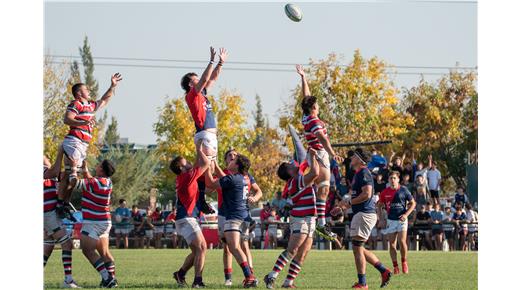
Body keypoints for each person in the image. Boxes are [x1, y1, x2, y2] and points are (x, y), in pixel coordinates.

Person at [56, 73, 123, 219]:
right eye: (86, 89)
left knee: (72, 176)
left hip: (83, 144)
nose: (89, 91)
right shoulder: (76, 104)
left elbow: (105, 99)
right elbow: (67, 119)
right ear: (79, 93)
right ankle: (60, 203)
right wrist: (83, 123)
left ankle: (64, 203)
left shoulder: (91, 106)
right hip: (74, 141)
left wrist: (112, 86)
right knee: (70, 174)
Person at [331, 148, 392, 289]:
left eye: (354, 156)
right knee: (358, 247)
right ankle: (384, 271)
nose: (351, 158)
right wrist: (341, 207)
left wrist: (349, 204)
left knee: (357, 248)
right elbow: (355, 196)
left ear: (360, 160)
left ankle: (363, 283)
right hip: (363, 213)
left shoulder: (364, 172)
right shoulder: (359, 174)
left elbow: (367, 194)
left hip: (364, 214)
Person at [295, 64, 342, 241]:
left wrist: (303, 77)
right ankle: (321, 223)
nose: (319, 105)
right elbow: (323, 139)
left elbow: (306, 96)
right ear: (314, 107)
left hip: (312, 154)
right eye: (317, 104)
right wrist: (331, 152)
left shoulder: (306, 116)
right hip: (320, 154)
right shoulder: (314, 121)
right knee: (324, 186)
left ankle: (317, 221)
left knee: (317, 187)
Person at [264, 148, 319, 289]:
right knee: (292, 250)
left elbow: (314, 173)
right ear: (289, 172)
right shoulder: (295, 182)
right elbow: (315, 173)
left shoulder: (298, 178)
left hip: (310, 218)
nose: (294, 164)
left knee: (303, 253)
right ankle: (271, 276)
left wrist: (313, 157)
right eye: (291, 165)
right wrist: (312, 155)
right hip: (300, 218)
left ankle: (288, 282)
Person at [205, 154, 258, 287]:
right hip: (243, 216)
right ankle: (249, 276)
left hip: (234, 217)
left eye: (233, 160)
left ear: (237, 166)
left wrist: (206, 167)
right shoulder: (241, 178)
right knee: (236, 246)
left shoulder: (232, 179)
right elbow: (225, 179)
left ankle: (250, 276)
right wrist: (215, 165)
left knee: (234, 247)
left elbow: (211, 183)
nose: (231, 161)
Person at [68, 158, 117, 288]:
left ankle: (107, 279)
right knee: (104, 253)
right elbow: (90, 180)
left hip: (94, 222)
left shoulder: (96, 182)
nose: (97, 165)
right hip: (104, 221)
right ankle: (113, 279)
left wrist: (73, 168)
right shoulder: (107, 182)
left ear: (101, 169)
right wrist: (85, 169)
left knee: (87, 251)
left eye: (99, 164)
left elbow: (75, 183)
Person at [170, 141, 211, 288]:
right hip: (186, 218)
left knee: (196, 251)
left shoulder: (184, 176)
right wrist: (199, 149)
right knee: (202, 248)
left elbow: (196, 165)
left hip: (184, 218)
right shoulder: (187, 177)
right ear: (181, 168)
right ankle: (198, 281)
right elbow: (205, 163)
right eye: (185, 162)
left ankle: (180, 274)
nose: (188, 163)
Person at [181, 47, 227, 161]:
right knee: (208, 169)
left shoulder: (202, 93)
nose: (199, 80)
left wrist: (220, 63)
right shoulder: (192, 95)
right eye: (196, 79)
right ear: (191, 85)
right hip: (205, 134)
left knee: (210, 170)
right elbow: (205, 79)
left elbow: (212, 79)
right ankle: (192, 178)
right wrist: (211, 61)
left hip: (210, 135)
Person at [43, 147, 80, 288]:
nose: (47, 158)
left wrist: (73, 168)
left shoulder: (50, 174)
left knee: (48, 247)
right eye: (45, 157)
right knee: (67, 244)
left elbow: (65, 177)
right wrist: (59, 152)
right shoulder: (43, 171)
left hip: (49, 214)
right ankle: (68, 280)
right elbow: (54, 171)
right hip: (48, 214)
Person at [377, 171, 416, 275]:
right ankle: (395, 266)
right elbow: (379, 206)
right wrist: (380, 219)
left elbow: (413, 203)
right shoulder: (384, 192)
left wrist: (406, 215)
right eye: (391, 178)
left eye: (394, 178)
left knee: (402, 242)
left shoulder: (404, 190)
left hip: (401, 219)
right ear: (388, 180)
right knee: (392, 244)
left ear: (398, 179)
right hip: (391, 220)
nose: (392, 180)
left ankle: (404, 262)